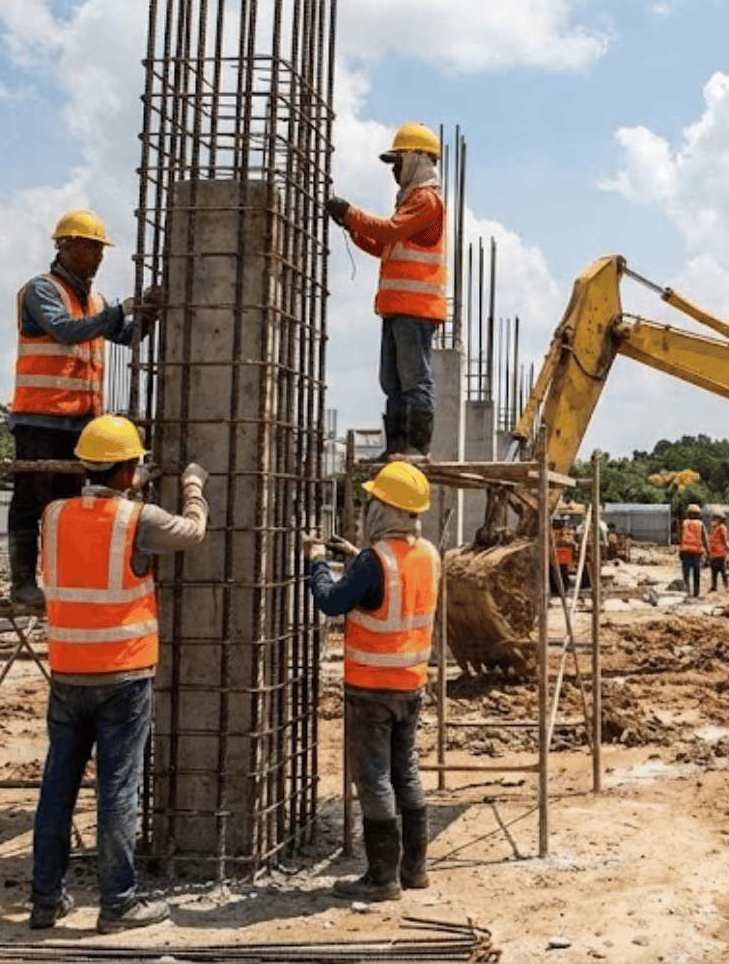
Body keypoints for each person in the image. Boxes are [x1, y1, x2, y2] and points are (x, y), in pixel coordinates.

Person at [29, 415, 207, 933]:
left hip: (67, 671)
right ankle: (118, 903)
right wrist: (193, 484)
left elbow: (97, 524)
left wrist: (132, 485)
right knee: (118, 789)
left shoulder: (54, 514)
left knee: (57, 789)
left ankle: (45, 901)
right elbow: (192, 532)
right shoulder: (140, 520)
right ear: (129, 470)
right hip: (123, 677)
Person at [9, 209, 163, 611]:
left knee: (69, 509)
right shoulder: (41, 291)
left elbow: (128, 338)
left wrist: (148, 313)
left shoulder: (93, 300)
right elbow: (64, 330)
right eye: (91, 248)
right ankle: (23, 583)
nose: (97, 257)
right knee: (31, 503)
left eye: (100, 250)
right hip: (39, 418)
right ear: (66, 247)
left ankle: (62, 578)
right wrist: (123, 309)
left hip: (80, 423)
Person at [303, 461, 440, 901]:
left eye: (372, 502)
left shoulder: (373, 561)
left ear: (385, 509)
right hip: (411, 684)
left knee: (375, 779)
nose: (368, 508)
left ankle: (382, 878)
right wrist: (353, 553)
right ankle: (414, 870)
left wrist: (318, 562)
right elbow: (388, 587)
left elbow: (331, 601)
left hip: (371, 687)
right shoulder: (429, 554)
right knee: (407, 774)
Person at [325, 123, 447, 458]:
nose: (394, 170)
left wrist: (351, 213)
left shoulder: (427, 201)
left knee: (414, 380)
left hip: (416, 308)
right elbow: (385, 246)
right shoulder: (410, 202)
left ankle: (416, 447)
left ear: (418, 159)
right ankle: (397, 446)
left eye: (398, 161)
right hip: (397, 307)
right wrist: (353, 226)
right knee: (392, 381)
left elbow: (390, 232)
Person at [677, 503, 706, 598]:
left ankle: (686, 592)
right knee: (696, 574)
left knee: (686, 574)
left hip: (685, 552)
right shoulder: (700, 524)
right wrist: (708, 552)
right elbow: (705, 538)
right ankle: (696, 593)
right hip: (697, 553)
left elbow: (680, 538)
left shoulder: (684, 523)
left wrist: (679, 550)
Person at [706, 509, 729, 594]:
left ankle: (726, 587)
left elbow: (724, 540)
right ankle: (714, 587)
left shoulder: (722, 528)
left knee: (723, 571)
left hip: (720, 553)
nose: (714, 521)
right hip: (714, 554)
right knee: (714, 572)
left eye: (716, 519)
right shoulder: (715, 529)